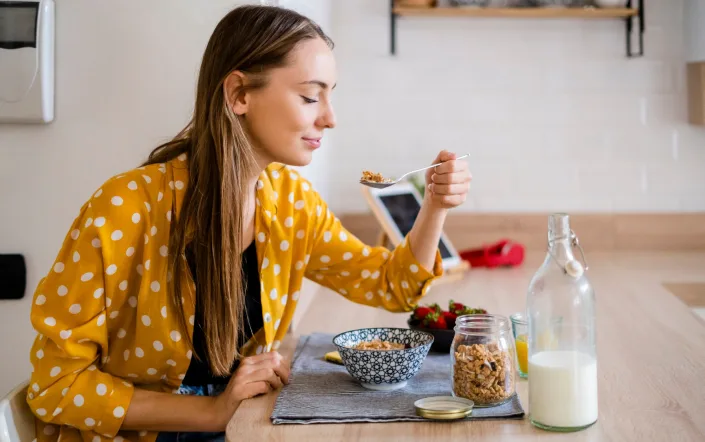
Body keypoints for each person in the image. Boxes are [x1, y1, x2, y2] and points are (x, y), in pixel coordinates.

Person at [26, 5, 471, 442]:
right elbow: (56, 387)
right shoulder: (124, 208)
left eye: (330, 95)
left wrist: (434, 206)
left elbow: (387, 285)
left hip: (243, 423)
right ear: (239, 94)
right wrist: (211, 412)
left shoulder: (292, 203)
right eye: (311, 96)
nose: (329, 118)